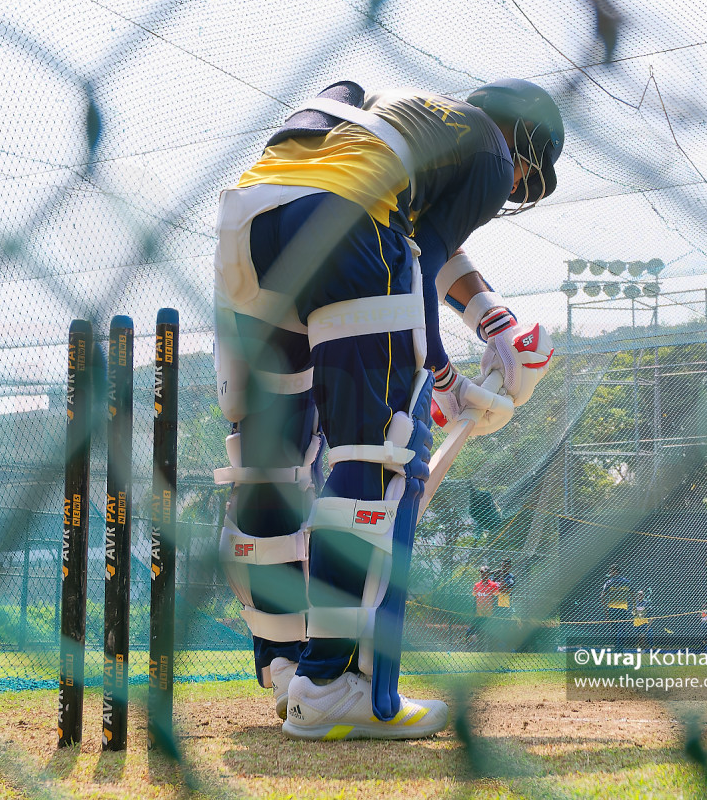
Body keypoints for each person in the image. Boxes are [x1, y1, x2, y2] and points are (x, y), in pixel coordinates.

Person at [213, 79, 563, 740]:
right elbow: (414, 258)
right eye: (522, 178)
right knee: (381, 451)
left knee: (270, 463)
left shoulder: (393, 117)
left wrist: (495, 321)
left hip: (250, 221)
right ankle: (338, 687)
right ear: (521, 142)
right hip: (348, 221)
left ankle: (288, 669)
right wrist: (444, 380)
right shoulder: (489, 149)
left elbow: (425, 235)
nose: (511, 189)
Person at [600, 564, 634, 651]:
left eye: (611, 571)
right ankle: (620, 648)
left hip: (612, 608)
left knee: (614, 629)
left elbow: (602, 596)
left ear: (615, 571)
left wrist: (605, 609)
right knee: (621, 629)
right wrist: (633, 606)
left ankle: (617, 648)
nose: (610, 573)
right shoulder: (627, 582)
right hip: (623, 608)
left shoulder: (609, 582)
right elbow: (633, 595)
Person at [471, 564, 501, 649]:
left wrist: (495, 613)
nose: (482, 574)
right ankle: (479, 650)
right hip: (479, 613)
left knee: (490, 633)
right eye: (481, 572)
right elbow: (474, 599)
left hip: (490, 613)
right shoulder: (476, 585)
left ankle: (491, 651)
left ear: (488, 574)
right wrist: (474, 613)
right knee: (479, 633)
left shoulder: (493, 585)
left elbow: (496, 600)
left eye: (484, 572)